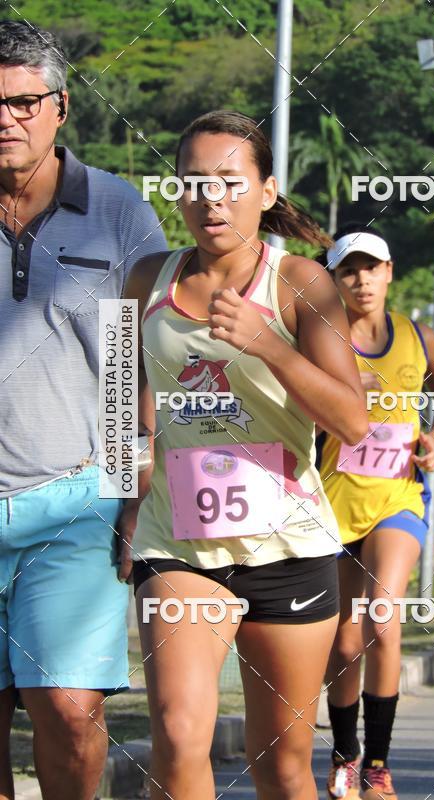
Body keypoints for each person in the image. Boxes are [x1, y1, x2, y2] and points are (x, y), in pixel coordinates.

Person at [124, 110, 369, 800]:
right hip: (177, 544)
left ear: (266, 192)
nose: (211, 200)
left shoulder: (301, 284)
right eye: (195, 183)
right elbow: (119, 404)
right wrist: (124, 505)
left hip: (288, 546)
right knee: (176, 737)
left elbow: (351, 421)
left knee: (284, 768)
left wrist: (264, 342)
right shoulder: (143, 279)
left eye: (230, 182)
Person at [0, 20, 167, 800]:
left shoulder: (118, 212)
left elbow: (145, 358)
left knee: (67, 709)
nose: (7, 118)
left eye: (23, 102)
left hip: (75, 499)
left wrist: (138, 485)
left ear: (60, 106)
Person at [318, 224, 434, 800]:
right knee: (345, 644)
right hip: (332, 507)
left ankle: (378, 764)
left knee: (383, 616)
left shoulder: (418, 336)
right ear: (334, 278)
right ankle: (345, 753)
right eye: (349, 269)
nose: (361, 279)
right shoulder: (322, 337)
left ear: (389, 272)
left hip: (397, 499)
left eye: (371, 267)